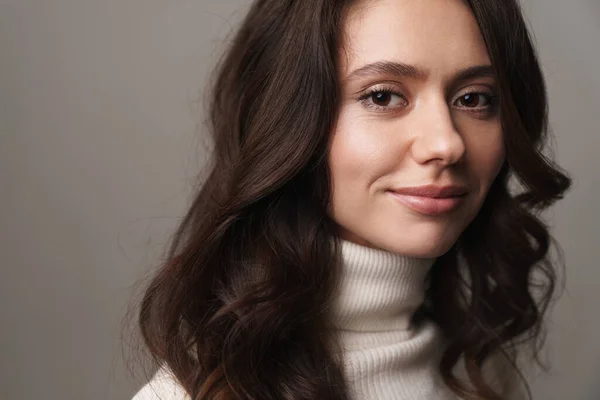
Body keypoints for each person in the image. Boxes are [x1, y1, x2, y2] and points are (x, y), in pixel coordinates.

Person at [130, 0, 571, 398]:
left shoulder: (478, 371)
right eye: (383, 96)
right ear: (287, 120)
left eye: (474, 98)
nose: (446, 143)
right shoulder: (202, 394)